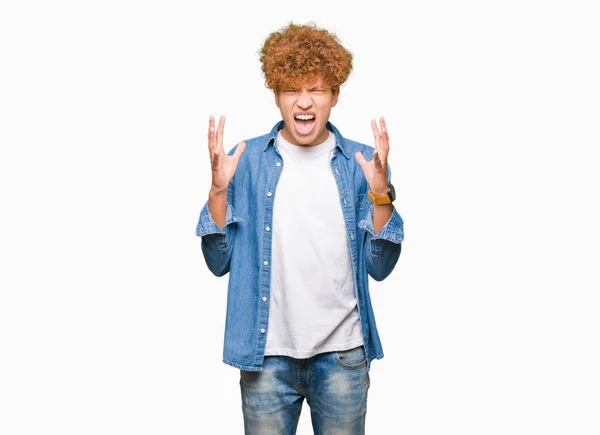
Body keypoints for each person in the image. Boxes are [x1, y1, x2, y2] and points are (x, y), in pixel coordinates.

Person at [196, 22, 404, 435]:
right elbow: (218, 262)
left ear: (334, 95)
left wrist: (380, 194)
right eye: (292, 89)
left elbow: (379, 267)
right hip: (266, 358)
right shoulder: (247, 160)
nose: (304, 102)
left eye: (317, 89)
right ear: (276, 95)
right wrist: (218, 189)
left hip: (343, 355)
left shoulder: (361, 163)